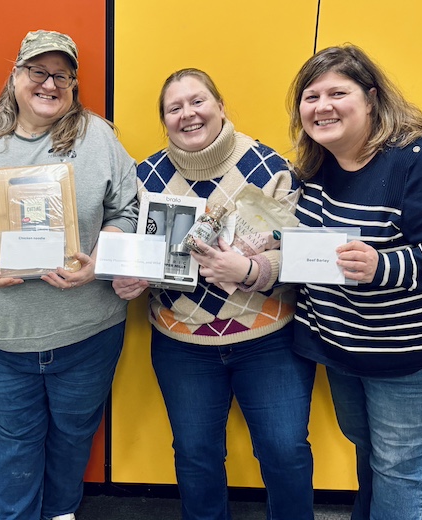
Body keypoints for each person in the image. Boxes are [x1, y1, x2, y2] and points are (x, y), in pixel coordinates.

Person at [0, 29, 138, 520]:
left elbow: (126, 209)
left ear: (74, 84)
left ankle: (62, 512)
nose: (49, 83)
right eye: (37, 72)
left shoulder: (99, 137)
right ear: (15, 75)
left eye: (62, 75)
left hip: (88, 330)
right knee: (14, 442)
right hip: (3, 336)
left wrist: (99, 259)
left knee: (73, 435)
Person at [113, 68, 315, 520]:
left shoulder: (268, 167)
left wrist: (250, 270)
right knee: (196, 456)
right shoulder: (144, 176)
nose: (188, 114)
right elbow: (132, 249)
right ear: (163, 119)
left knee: (285, 453)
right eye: (174, 107)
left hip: (268, 341)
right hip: (183, 344)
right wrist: (127, 279)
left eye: (198, 101)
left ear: (220, 106)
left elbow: (301, 254)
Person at [288, 44, 422, 520]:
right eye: (311, 97)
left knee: (401, 471)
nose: (323, 106)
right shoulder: (316, 164)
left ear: (372, 98)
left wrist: (383, 266)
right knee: (370, 454)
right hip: (342, 349)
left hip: (410, 361)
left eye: (338, 92)